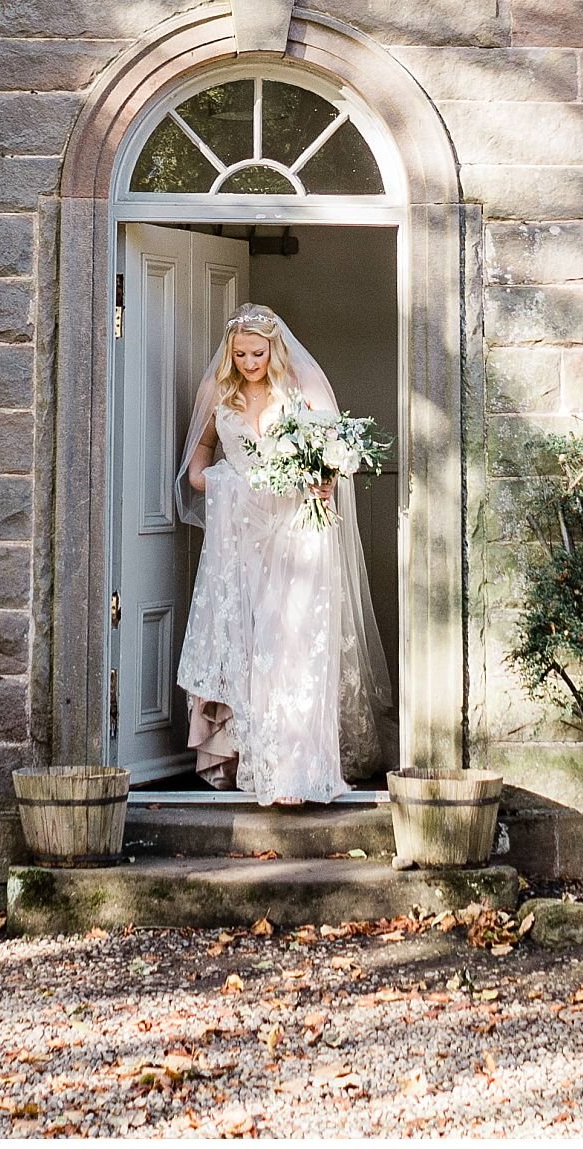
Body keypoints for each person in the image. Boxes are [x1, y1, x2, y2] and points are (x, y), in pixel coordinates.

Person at [174, 304, 393, 805]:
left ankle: (296, 769)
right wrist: (226, 482)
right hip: (243, 539)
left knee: (292, 647)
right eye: (241, 354)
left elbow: (336, 455)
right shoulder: (221, 395)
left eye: (257, 352)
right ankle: (255, 763)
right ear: (229, 355)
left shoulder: (298, 391)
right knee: (251, 648)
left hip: (296, 533)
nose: (250, 362)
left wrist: (322, 480)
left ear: (274, 349)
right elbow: (196, 468)